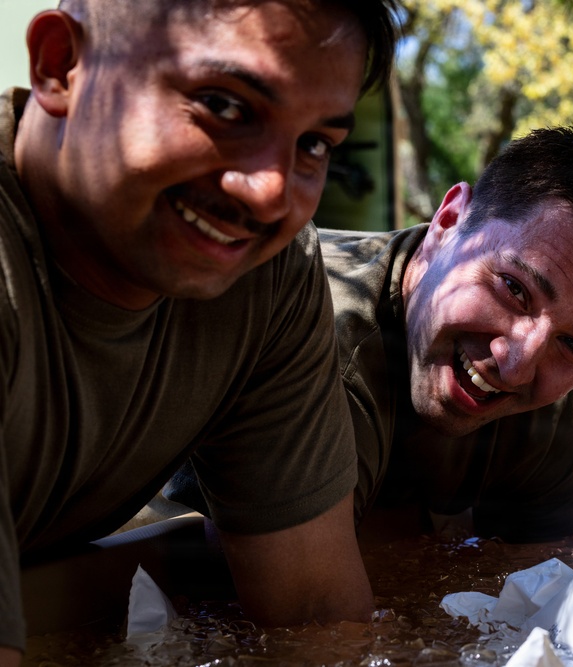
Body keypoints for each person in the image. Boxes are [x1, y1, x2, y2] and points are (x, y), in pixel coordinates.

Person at [0, 0, 397, 663]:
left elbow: (319, 624)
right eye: (227, 106)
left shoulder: (265, 275)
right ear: (60, 66)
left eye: (315, 144)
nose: (271, 193)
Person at [167, 125, 573, 544]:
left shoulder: (547, 425)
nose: (516, 364)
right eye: (513, 288)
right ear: (448, 221)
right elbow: (297, 626)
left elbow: (536, 614)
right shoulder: (311, 339)